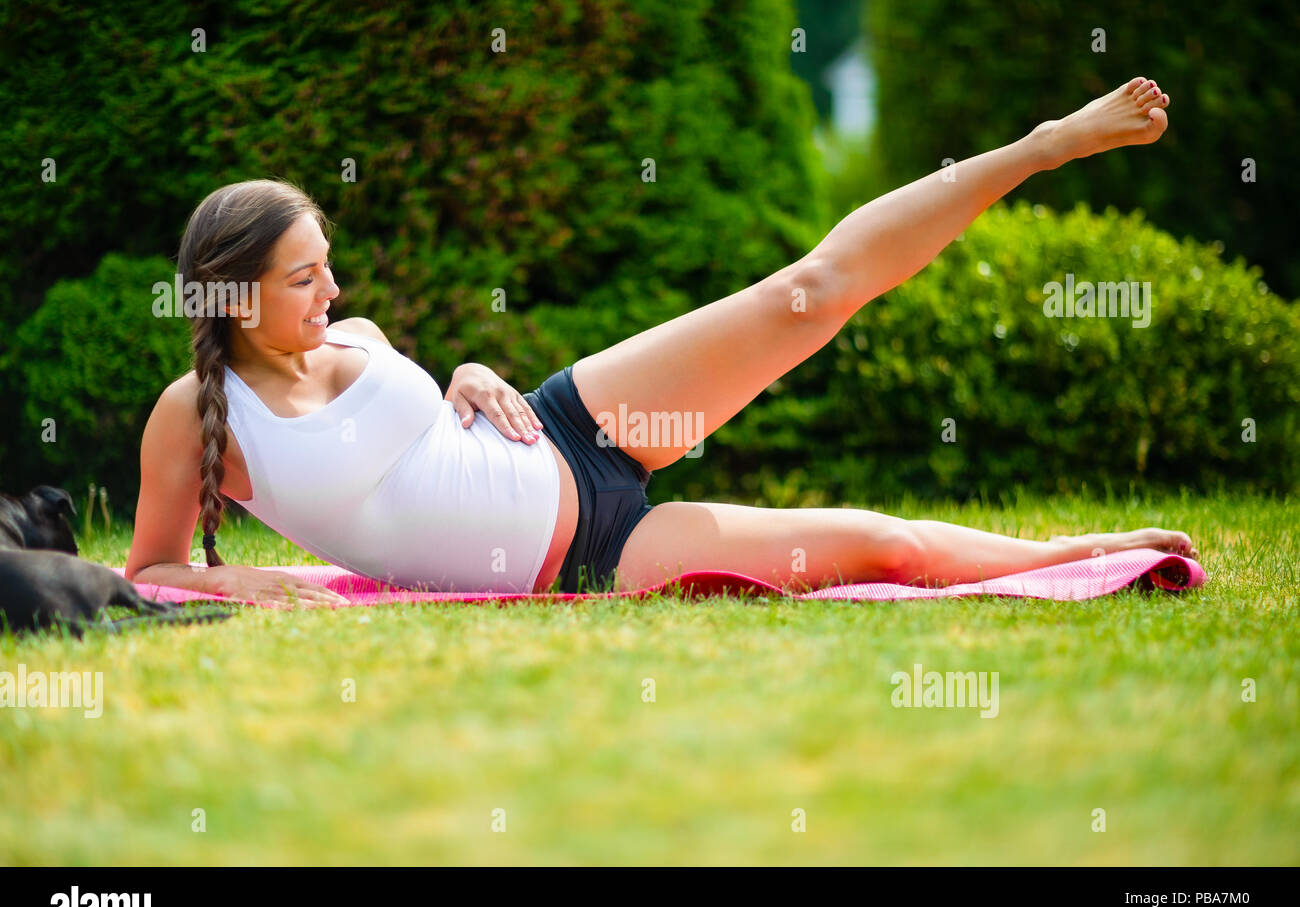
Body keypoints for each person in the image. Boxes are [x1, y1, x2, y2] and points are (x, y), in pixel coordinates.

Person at [125, 76, 1196, 607]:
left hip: (573, 420)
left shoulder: (348, 333)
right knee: (886, 549)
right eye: (303, 275)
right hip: (591, 555)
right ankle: (1098, 552)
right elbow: (152, 568)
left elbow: (419, 421)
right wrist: (246, 584)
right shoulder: (196, 416)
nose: (334, 288)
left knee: (805, 294)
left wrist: (470, 368)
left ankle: (1042, 145)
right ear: (230, 296)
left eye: (328, 263)